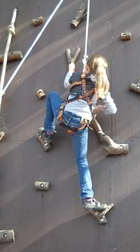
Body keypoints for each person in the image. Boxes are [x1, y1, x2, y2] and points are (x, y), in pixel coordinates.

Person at [40, 54, 117, 210]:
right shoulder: (102, 86)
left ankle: (48, 132)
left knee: (52, 96)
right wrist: (97, 108)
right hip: (80, 124)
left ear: (87, 67)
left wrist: (71, 70)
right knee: (82, 160)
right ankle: (88, 199)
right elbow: (112, 110)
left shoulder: (77, 76)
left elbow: (65, 83)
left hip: (64, 115)